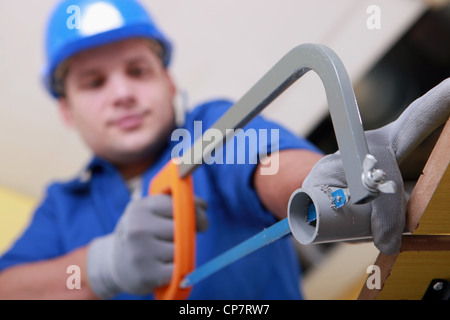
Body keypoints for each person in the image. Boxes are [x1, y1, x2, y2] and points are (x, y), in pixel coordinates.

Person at [0, 0, 323, 299]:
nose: (122, 93)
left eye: (138, 71)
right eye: (94, 82)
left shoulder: (209, 129)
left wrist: (330, 187)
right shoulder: (61, 207)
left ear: (168, 82)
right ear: (67, 110)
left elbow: (277, 165)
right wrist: (102, 266)